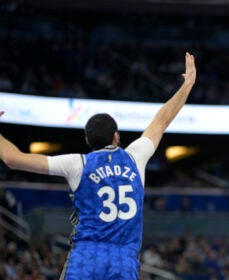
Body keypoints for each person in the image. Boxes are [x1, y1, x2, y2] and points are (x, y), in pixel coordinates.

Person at [0, 52, 196, 280]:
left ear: (87, 141)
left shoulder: (77, 163)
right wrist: (187, 84)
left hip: (86, 258)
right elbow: (162, 120)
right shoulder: (136, 156)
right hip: (124, 261)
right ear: (116, 136)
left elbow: (13, 159)